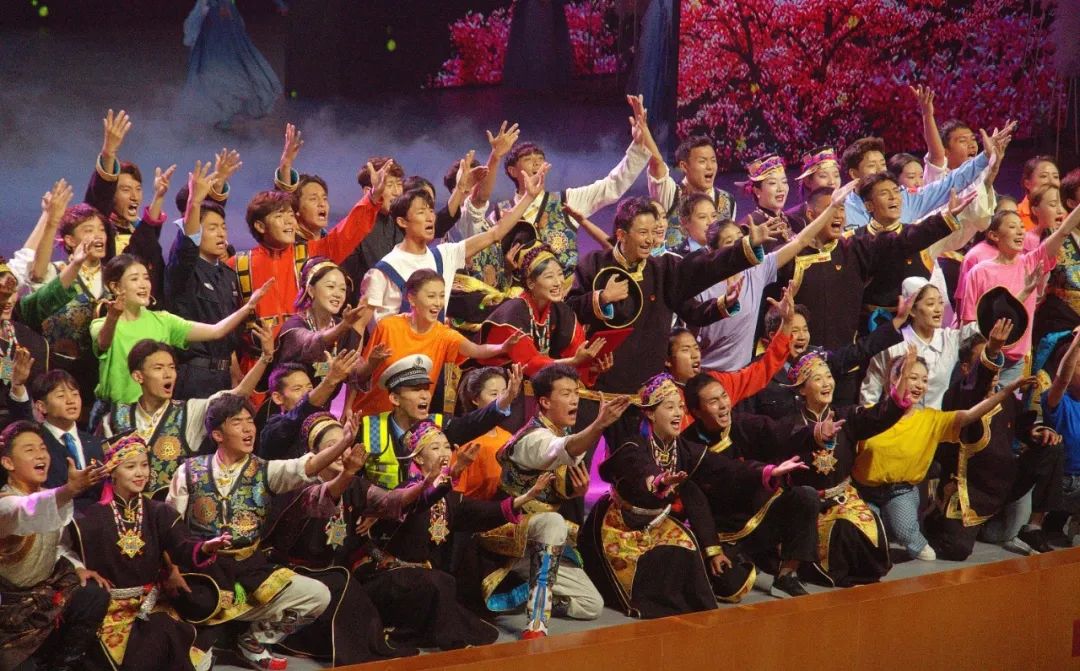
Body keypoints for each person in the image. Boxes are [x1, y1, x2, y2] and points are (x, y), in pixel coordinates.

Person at [165, 393, 345, 670]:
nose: (249, 429)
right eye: (237, 423)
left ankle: (253, 639)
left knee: (317, 595)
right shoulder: (189, 471)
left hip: (249, 569)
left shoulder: (265, 471)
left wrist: (343, 444)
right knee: (196, 664)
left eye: (250, 421)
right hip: (202, 571)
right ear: (217, 434)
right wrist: (171, 570)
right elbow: (170, 528)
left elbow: (306, 466)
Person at [566, 196, 778, 401]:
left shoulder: (663, 269)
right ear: (621, 234)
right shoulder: (594, 264)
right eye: (643, 232)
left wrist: (726, 298)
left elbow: (702, 279)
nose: (650, 239)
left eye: (653, 232)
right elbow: (569, 311)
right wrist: (603, 297)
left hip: (649, 390)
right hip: (602, 385)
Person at [261, 412, 424, 664]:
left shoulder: (355, 484)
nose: (341, 453)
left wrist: (430, 482)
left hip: (338, 571)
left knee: (400, 581)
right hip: (296, 574)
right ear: (315, 453)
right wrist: (347, 473)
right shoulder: (297, 486)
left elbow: (391, 501)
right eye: (332, 447)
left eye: (345, 445)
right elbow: (323, 496)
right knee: (342, 585)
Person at [582, 373, 749, 615]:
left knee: (689, 550)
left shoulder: (681, 449)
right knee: (648, 574)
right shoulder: (633, 445)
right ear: (650, 413)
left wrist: (768, 472)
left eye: (680, 407)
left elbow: (726, 469)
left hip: (656, 523)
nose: (678, 413)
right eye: (670, 407)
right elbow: (641, 469)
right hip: (621, 524)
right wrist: (659, 481)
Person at [69, 434, 233, 671]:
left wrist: (206, 547)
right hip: (109, 611)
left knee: (162, 633)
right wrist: (79, 568)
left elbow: (182, 546)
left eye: (144, 465)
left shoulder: (159, 512)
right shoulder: (90, 517)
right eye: (130, 467)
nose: (140, 473)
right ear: (113, 472)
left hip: (151, 604)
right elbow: (64, 550)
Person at [853, 354, 1035, 560]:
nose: (919, 385)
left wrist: (1006, 391)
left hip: (900, 491)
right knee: (869, 540)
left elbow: (968, 415)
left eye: (924, 380)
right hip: (864, 491)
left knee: (909, 538)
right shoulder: (866, 414)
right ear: (893, 379)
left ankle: (912, 533)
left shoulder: (930, 419)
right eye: (913, 377)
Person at [777, 348, 914, 586]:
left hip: (844, 499)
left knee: (866, 536)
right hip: (809, 508)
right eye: (817, 378)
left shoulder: (846, 416)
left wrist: (904, 378)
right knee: (837, 534)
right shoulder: (790, 425)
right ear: (802, 389)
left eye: (828, 376)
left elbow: (880, 415)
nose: (826, 383)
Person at [928, 323, 1065, 559]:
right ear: (966, 368)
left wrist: (1037, 432)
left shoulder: (1006, 397)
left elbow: (1021, 426)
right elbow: (976, 386)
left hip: (1004, 482)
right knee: (957, 550)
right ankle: (937, 519)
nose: (994, 370)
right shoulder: (958, 396)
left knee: (1052, 447)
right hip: (971, 493)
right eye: (984, 362)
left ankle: (1033, 528)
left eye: (994, 362)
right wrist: (991, 351)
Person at [679, 373, 820, 597]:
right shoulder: (686, 447)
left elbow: (779, 432)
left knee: (806, 496)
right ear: (696, 411)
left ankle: (787, 574)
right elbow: (697, 502)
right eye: (713, 401)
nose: (723, 405)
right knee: (727, 584)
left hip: (761, 516)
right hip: (725, 532)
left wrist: (816, 433)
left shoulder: (743, 423)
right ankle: (755, 563)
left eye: (724, 396)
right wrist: (712, 550)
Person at [690, 182, 851, 370]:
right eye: (729, 242)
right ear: (712, 251)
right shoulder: (701, 287)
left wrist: (832, 207)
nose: (737, 246)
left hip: (743, 374)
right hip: (709, 374)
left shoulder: (757, 271)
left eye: (740, 239)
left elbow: (801, 241)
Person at [361, 163, 548, 322]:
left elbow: (495, 234)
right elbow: (362, 326)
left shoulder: (445, 255)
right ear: (402, 221)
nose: (430, 217)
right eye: (421, 212)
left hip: (436, 350)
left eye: (431, 211)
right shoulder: (383, 271)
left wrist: (529, 197)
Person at [90, 253, 273, 409]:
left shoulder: (163, 320)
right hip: (117, 413)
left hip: (157, 412)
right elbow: (104, 343)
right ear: (115, 287)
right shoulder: (101, 325)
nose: (143, 284)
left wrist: (248, 306)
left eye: (146, 278)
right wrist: (113, 316)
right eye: (134, 279)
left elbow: (216, 331)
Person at [102, 336, 273, 498]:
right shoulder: (115, 418)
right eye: (159, 368)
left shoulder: (190, 411)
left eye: (172, 368)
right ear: (138, 376)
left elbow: (238, 394)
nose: (168, 374)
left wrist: (265, 358)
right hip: (126, 512)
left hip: (174, 512)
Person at [0, 420, 109, 671]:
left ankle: (64, 665)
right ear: (8, 463)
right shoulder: (6, 504)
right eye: (29, 450)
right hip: (10, 613)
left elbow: (56, 545)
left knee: (93, 594)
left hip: (44, 596)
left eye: (43, 448)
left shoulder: (50, 497)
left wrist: (78, 566)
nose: (40, 455)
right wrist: (69, 490)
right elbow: (27, 509)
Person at [351, 269, 522, 416]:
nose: (438, 303)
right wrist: (348, 405)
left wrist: (503, 347)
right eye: (431, 296)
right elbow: (358, 376)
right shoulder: (388, 327)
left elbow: (477, 350)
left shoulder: (444, 334)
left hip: (411, 420)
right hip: (371, 416)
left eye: (441, 296)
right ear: (411, 299)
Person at [961, 201, 1080, 386]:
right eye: (1012, 227)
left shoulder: (1030, 263)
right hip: (985, 356)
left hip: (1016, 362)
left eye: (1022, 227)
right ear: (994, 235)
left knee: (1007, 404)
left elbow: (1063, 231)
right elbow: (968, 322)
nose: (1020, 232)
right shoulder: (979, 272)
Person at [359, 354, 519, 490]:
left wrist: (506, 399)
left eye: (426, 389)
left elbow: (474, 422)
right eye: (416, 389)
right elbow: (354, 483)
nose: (425, 396)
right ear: (395, 398)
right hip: (381, 513)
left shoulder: (439, 426)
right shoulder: (368, 429)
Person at [165, 157, 245, 398]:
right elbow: (187, 243)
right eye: (212, 228)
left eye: (223, 227)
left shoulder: (229, 275)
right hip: (193, 377)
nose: (221, 234)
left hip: (224, 376)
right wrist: (195, 201)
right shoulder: (184, 270)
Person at [83, 109, 181, 300]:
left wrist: (159, 196)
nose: (135, 196)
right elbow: (99, 198)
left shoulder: (140, 232)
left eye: (138, 189)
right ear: (112, 194)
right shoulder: (101, 229)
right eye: (126, 190)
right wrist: (108, 154)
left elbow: (145, 238)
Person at [860, 277, 982, 410]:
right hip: (899, 420)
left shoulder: (950, 339)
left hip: (937, 420)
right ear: (912, 310)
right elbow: (870, 394)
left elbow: (983, 329)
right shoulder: (892, 345)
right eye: (930, 304)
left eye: (941, 303)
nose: (938, 309)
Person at [838, 132, 998, 229]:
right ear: (853, 174)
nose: (880, 170)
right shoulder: (840, 209)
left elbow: (949, 183)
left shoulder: (906, 199)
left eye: (882, 164)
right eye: (872, 166)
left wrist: (984, 157)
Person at [181, 0, 285, 127]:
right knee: (213, 65)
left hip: (222, 17)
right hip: (214, 17)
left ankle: (229, 112)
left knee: (227, 62)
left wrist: (223, 5)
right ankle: (225, 112)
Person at [648, 135, 737, 251]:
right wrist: (644, 130)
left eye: (713, 160)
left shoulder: (728, 200)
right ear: (684, 166)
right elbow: (656, 164)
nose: (710, 167)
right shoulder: (670, 193)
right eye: (702, 161)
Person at [784, 147, 841, 232]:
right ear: (808, 181)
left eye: (836, 175)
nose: (832, 182)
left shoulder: (849, 207)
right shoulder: (794, 218)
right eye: (823, 176)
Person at [1017, 155, 1061, 231]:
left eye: (1056, 177)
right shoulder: (1016, 216)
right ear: (1027, 183)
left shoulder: (1067, 214)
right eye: (1044, 176)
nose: (1052, 181)